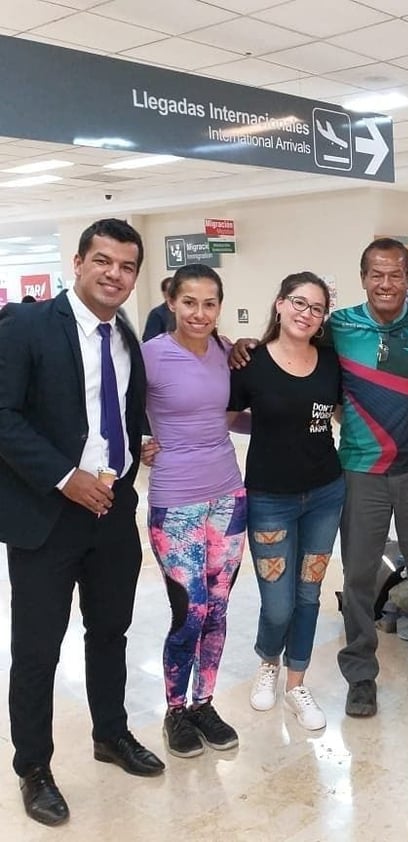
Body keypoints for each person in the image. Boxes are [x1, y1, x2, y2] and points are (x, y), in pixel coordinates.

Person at [0, 218, 165, 827]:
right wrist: (66, 476)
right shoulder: (27, 326)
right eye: (103, 261)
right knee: (38, 647)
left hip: (113, 510)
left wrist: (137, 442)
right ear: (77, 262)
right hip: (47, 515)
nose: (114, 274)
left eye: (126, 266)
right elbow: (3, 414)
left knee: (110, 633)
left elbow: (118, 410)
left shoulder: (125, 333)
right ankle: (34, 767)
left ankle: (111, 734)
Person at [330, 238, 408, 716]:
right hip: (360, 469)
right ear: (363, 277)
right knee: (359, 575)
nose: (386, 284)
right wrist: (243, 346)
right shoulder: (337, 326)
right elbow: (292, 353)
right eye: (377, 274)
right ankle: (360, 673)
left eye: (396, 275)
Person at [229, 272, 344, 731]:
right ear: (279, 304)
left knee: (309, 594)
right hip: (269, 499)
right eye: (299, 302)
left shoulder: (332, 361)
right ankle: (268, 662)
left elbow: (338, 413)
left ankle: (297, 682)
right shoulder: (250, 361)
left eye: (316, 308)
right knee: (278, 603)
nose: (306, 314)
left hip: (325, 494)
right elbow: (229, 419)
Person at [141, 264, 247, 758]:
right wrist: (139, 443)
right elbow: (113, 413)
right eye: (189, 303)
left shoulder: (228, 353)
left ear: (219, 307)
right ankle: (175, 711)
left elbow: (231, 415)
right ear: (172, 304)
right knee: (191, 612)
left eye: (209, 303)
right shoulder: (151, 357)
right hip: (175, 501)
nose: (199, 313)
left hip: (228, 497)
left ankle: (204, 702)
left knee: (219, 610)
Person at [142, 276, 174, 341]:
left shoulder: (184, 311)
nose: (174, 294)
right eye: (171, 291)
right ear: (164, 293)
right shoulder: (157, 313)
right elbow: (149, 340)